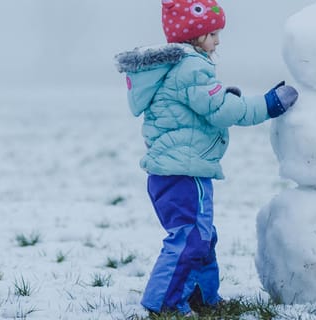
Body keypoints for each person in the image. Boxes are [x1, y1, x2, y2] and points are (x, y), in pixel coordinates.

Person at [115, 0, 298, 316]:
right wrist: (268, 105)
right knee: (190, 238)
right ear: (192, 36)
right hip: (183, 172)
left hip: (174, 172)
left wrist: (223, 97)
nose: (218, 41)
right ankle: (164, 304)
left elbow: (202, 104)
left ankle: (200, 296)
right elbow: (220, 111)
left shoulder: (176, 67)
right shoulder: (191, 67)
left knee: (202, 236)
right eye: (212, 34)